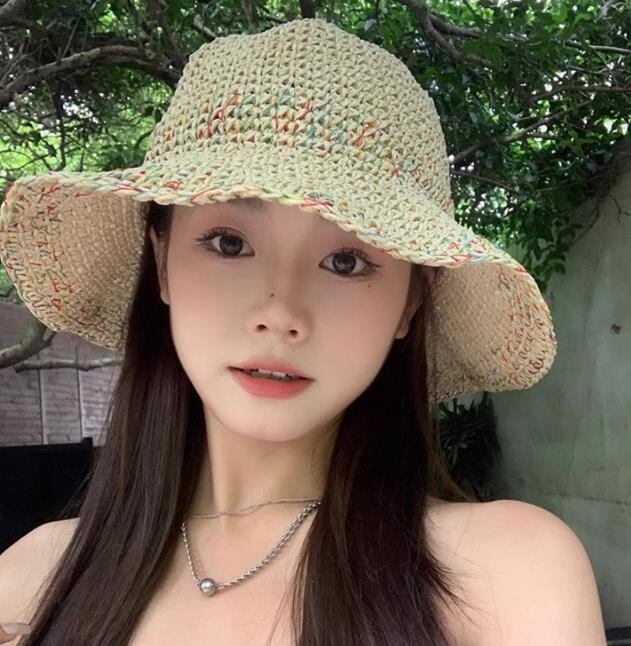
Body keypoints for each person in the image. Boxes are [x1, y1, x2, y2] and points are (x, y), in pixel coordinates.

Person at [0, 17, 606, 646]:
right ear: (163, 263)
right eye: (229, 243)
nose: (281, 311)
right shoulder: (29, 582)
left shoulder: (504, 577)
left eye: (345, 261)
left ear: (409, 303)